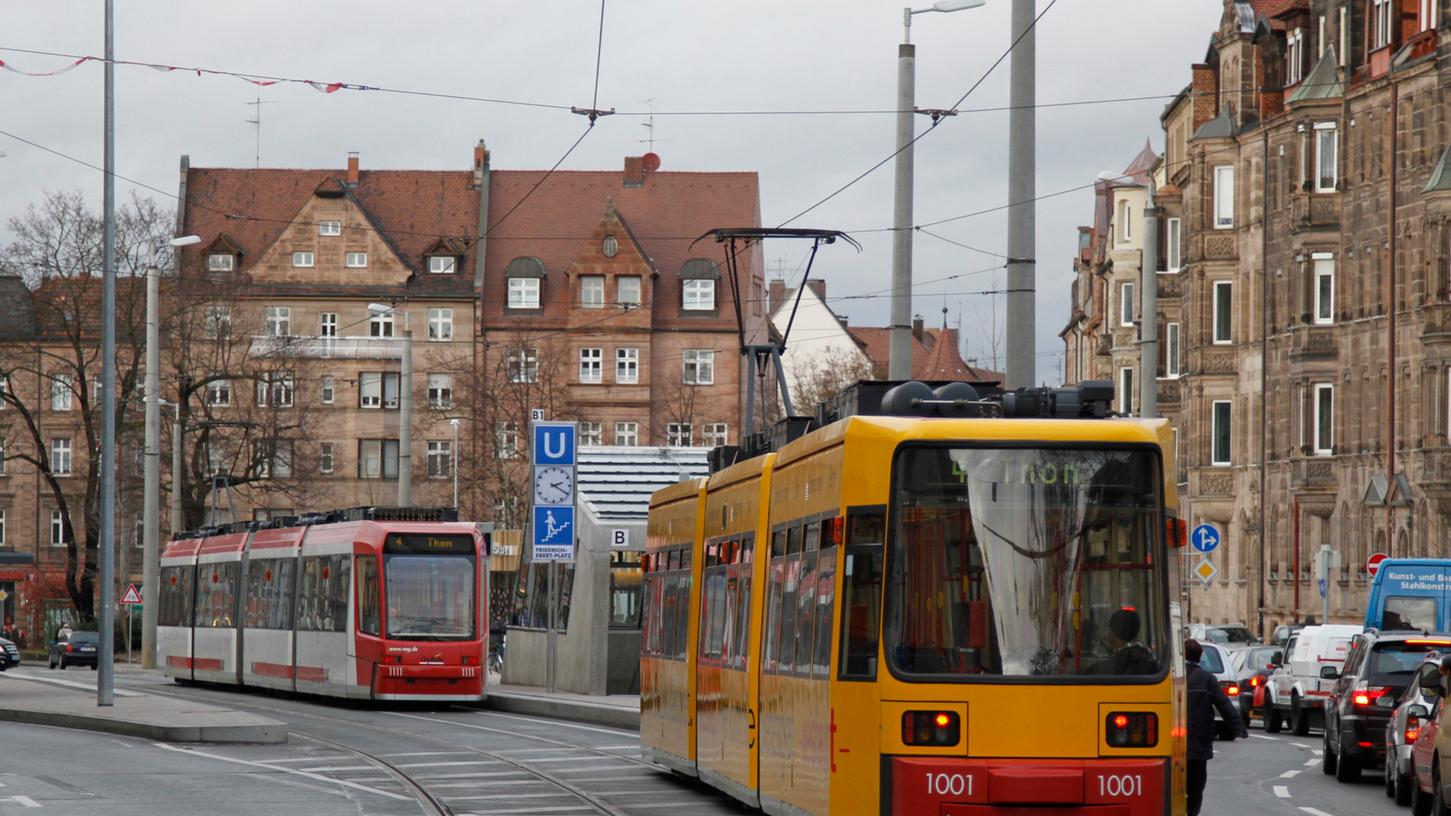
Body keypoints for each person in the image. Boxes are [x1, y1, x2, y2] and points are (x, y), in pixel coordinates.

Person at [1186, 638, 1244, 816]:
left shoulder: (1172, 678)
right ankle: (1192, 811)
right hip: (1199, 740)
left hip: (1173, 742)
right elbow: (1224, 704)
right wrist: (1238, 728)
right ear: (1200, 657)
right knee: (1197, 782)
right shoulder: (1207, 679)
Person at [1104, 608, 1159, 675]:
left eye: (1109, 628)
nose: (1107, 633)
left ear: (1114, 632)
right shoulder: (1144, 656)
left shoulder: (1119, 663)